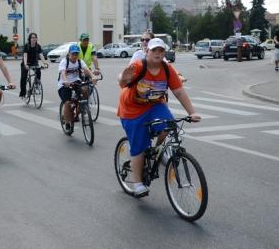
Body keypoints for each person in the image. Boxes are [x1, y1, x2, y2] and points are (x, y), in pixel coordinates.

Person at [117, 38, 201, 197]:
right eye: (154, 50)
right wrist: (123, 78)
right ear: (147, 51)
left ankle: (158, 150)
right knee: (139, 147)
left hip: (155, 105)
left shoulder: (167, 69)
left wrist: (192, 112)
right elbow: (123, 82)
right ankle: (138, 183)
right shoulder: (138, 66)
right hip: (132, 109)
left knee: (169, 125)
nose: (158, 53)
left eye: (161, 50)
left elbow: (179, 91)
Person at [58, 44, 97, 132]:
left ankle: (80, 110)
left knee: (85, 91)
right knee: (67, 103)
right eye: (73, 54)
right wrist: (65, 81)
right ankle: (67, 122)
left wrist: (93, 76)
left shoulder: (79, 61)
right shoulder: (64, 62)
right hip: (64, 84)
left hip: (76, 82)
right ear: (69, 54)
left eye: (76, 54)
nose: (75, 56)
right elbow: (63, 72)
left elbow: (86, 69)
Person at [19, 33, 48, 98]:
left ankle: (37, 84)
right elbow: (25, 56)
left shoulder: (38, 46)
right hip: (26, 62)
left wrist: (45, 63)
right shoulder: (27, 46)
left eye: (35, 37)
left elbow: (41, 55)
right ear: (30, 39)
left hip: (34, 62)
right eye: (32, 37)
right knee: (23, 78)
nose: (34, 39)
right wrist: (25, 64)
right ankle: (23, 93)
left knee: (38, 71)